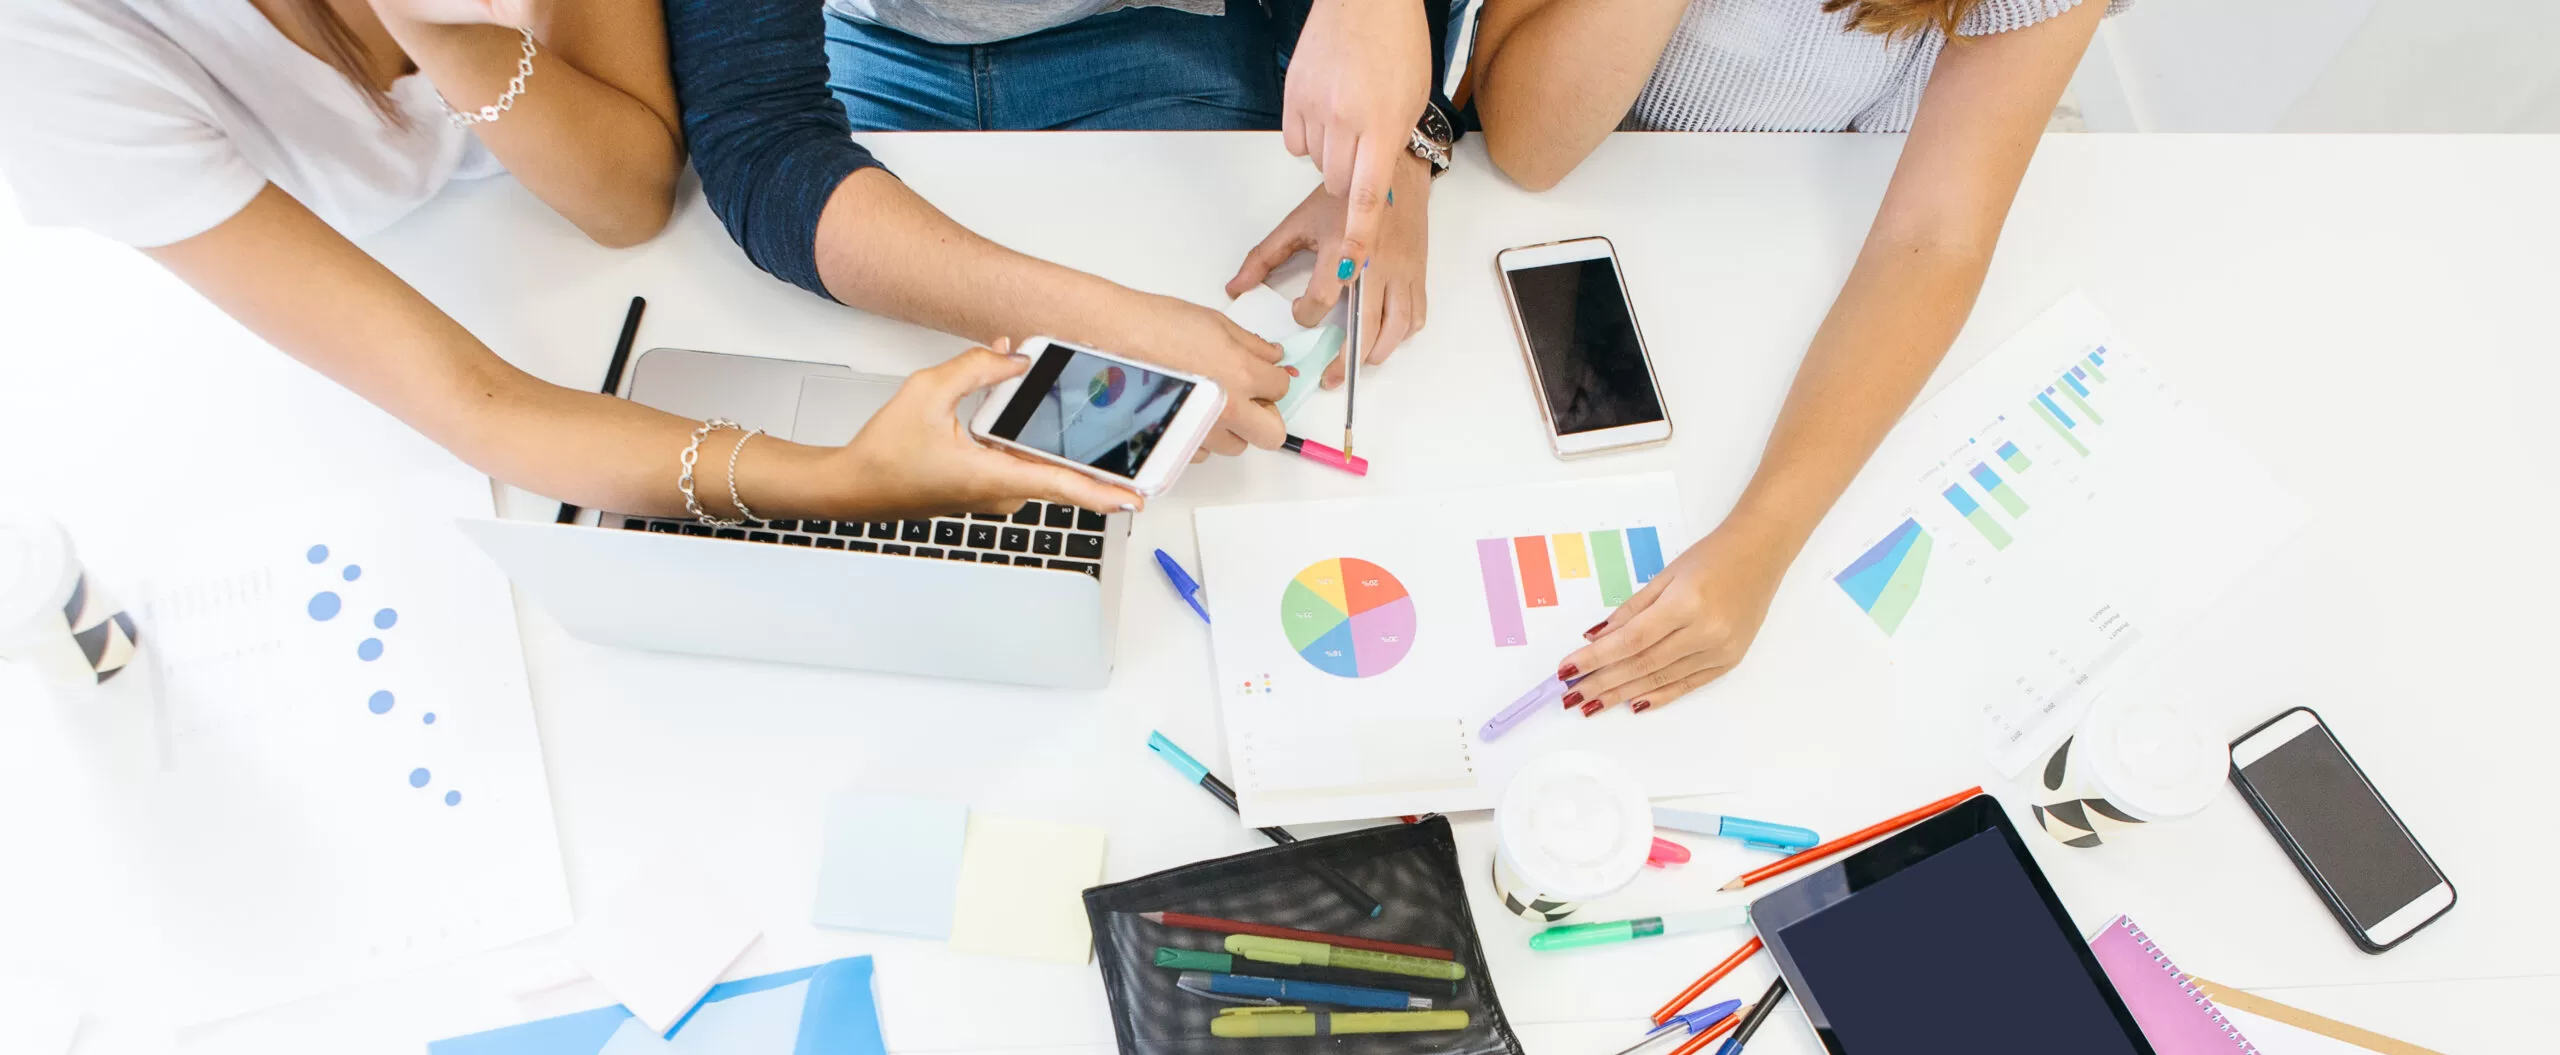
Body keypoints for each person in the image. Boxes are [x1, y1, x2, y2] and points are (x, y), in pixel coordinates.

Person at [0, 0, 1132, 525]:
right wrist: (842, 480)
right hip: (353, 399)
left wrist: (444, 35)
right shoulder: (47, 46)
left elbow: (628, 195)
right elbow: (468, 400)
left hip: (605, 268)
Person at [1470, 0, 2122, 714]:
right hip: (1576, 208)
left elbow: (1937, 237)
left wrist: (1761, 542)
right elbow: (1527, 146)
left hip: (1800, 278)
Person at [668, 0, 1462, 447]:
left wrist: (1404, 135)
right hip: (859, 48)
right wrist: (1107, 333)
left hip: (1163, 28)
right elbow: (760, 138)